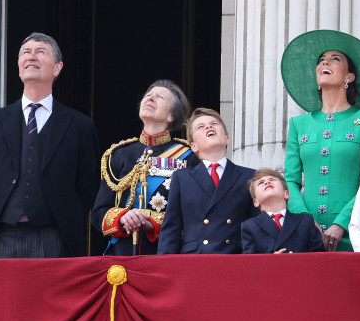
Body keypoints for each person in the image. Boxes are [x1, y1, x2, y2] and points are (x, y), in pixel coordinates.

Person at [0, 33, 100, 258]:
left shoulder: (80, 126)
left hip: (55, 240)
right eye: (26, 53)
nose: (31, 57)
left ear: (57, 68)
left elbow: (87, 187)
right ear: (19, 67)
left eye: (40, 52)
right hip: (0, 240)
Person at [280, 29, 360, 251]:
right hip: (306, 232)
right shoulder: (299, 124)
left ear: (350, 77)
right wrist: (305, 222)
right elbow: (290, 181)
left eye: (334, 59)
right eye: (321, 60)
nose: (324, 63)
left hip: (352, 231)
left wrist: (342, 223)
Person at [92, 80, 199, 256]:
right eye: (148, 95)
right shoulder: (119, 154)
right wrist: (122, 218)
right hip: (122, 255)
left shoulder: (189, 157)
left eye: (160, 97)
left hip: (165, 254)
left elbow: (194, 217)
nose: (150, 98)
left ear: (171, 116)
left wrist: (152, 223)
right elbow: (98, 214)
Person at [157, 108, 256, 254]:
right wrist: (164, 269)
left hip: (236, 259)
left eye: (214, 124)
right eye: (200, 127)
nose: (209, 127)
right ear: (194, 146)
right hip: (195, 259)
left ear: (227, 138)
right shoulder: (182, 177)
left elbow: (257, 225)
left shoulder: (249, 176)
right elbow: (171, 228)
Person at [240, 168, 324, 254]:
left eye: (272, 179)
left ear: (286, 194)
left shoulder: (305, 221)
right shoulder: (250, 226)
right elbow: (250, 262)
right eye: (261, 183)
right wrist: (273, 260)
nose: (267, 182)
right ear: (256, 202)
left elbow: (318, 257)